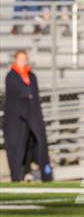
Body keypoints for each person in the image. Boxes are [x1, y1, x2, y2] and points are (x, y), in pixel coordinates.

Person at [3, 50, 53, 182]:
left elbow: (34, 95)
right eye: (20, 59)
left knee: (34, 143)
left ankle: (35, 172)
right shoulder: (11, 76)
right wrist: (27, 95)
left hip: (32, 114)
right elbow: (18, 94)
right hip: (17, 118)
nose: (23, 61)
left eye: (25, 59)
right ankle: (17, 175)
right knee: (18, 146)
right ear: (15, 60)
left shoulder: (32, 76)